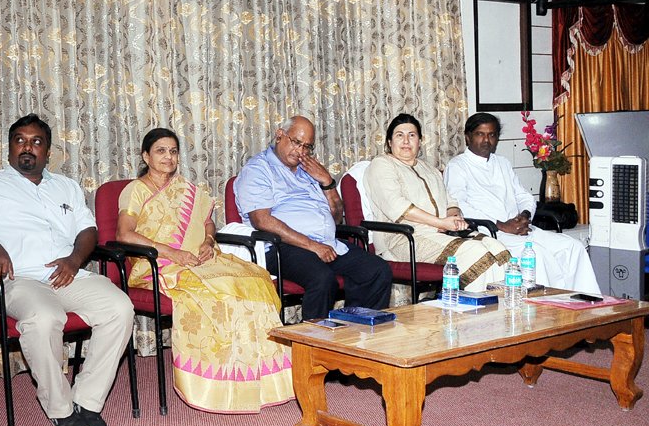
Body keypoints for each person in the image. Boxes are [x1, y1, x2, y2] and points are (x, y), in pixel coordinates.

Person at [0, 114, 134, 426]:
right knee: (44, 317)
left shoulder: (66, 186)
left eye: (36, 141)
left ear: (47, 151)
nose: (28, 147)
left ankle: (87, 401)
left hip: (66, 274)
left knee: (119, 308)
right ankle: (60, 408)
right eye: (20, 140)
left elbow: (88, 230)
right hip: (15, 280)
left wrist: (74, 260)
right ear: (9, 148)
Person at [116, 128, 293, 413]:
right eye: (161, 151)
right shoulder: (135, 190)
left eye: (173, 151)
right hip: (157, 265)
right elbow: (124, 234)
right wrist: (173, 253)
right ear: (146, 156)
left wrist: (209, 242)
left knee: (253, 279)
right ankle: (219, 382)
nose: (168, 157)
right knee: (218, 293)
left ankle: (256, 376)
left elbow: (208, 223)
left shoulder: (187, 189)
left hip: (198, 259)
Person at [234, 116, 392, 319]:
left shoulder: (308, 170)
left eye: (307, 147)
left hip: (326, 243)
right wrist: (312, 246)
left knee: (377, 270)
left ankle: (356, 331)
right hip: (282, 246)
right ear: (280, 135)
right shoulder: (258, 169)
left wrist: (327, 182)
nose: (300, 151)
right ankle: (314, 337)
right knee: (323, 279)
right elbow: (262, 221)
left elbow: (337, 218)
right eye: (296, 142)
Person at [443, 113, 601, 293]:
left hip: (520, 229)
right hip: (490, 233)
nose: (486, 140)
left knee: (573, 247)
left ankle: (584, 302)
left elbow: (524, 196)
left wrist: (524, 216)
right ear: (468, 137)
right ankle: (549, 305)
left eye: (492, 135)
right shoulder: (457, 166)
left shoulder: (502, 163)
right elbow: (459, 206)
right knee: (537, 255)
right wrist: (502, 225)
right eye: (480, 134)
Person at [363, 113, 511, 292]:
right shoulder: (381, 165)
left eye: (412, 135)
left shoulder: (429, 169)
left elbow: (450, 201)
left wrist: (454, 217)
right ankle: (476, 307)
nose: (406, 141)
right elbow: (396, 206)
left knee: (496, 248)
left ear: (419, 141)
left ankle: (497, 305)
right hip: (404, 239)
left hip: (442, 234)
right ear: (389, 142)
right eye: (399, 135)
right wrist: (440, 223)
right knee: (475, 253)